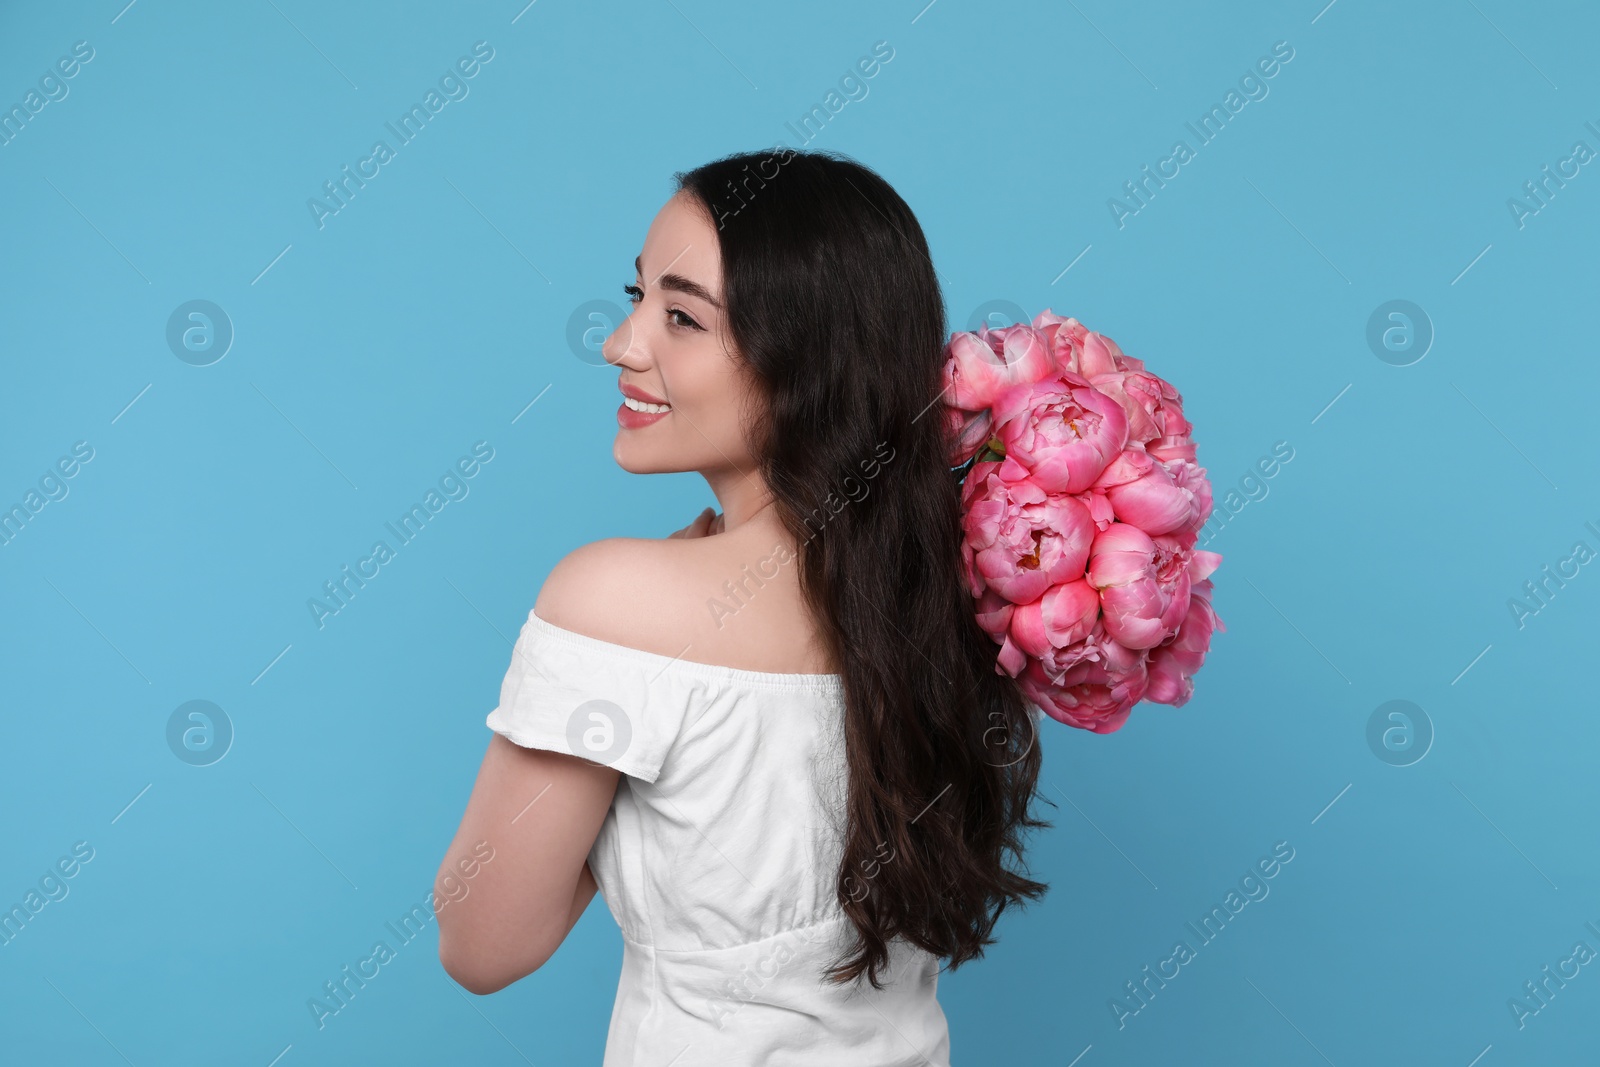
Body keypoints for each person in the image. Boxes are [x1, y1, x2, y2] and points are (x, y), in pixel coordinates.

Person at [435, 147, 1050, 1065]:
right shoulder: (948, 601)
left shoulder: (614, 598)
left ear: (808, 361)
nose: (622, 343)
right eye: (637, 296)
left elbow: (484, 944)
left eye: (681, 317)